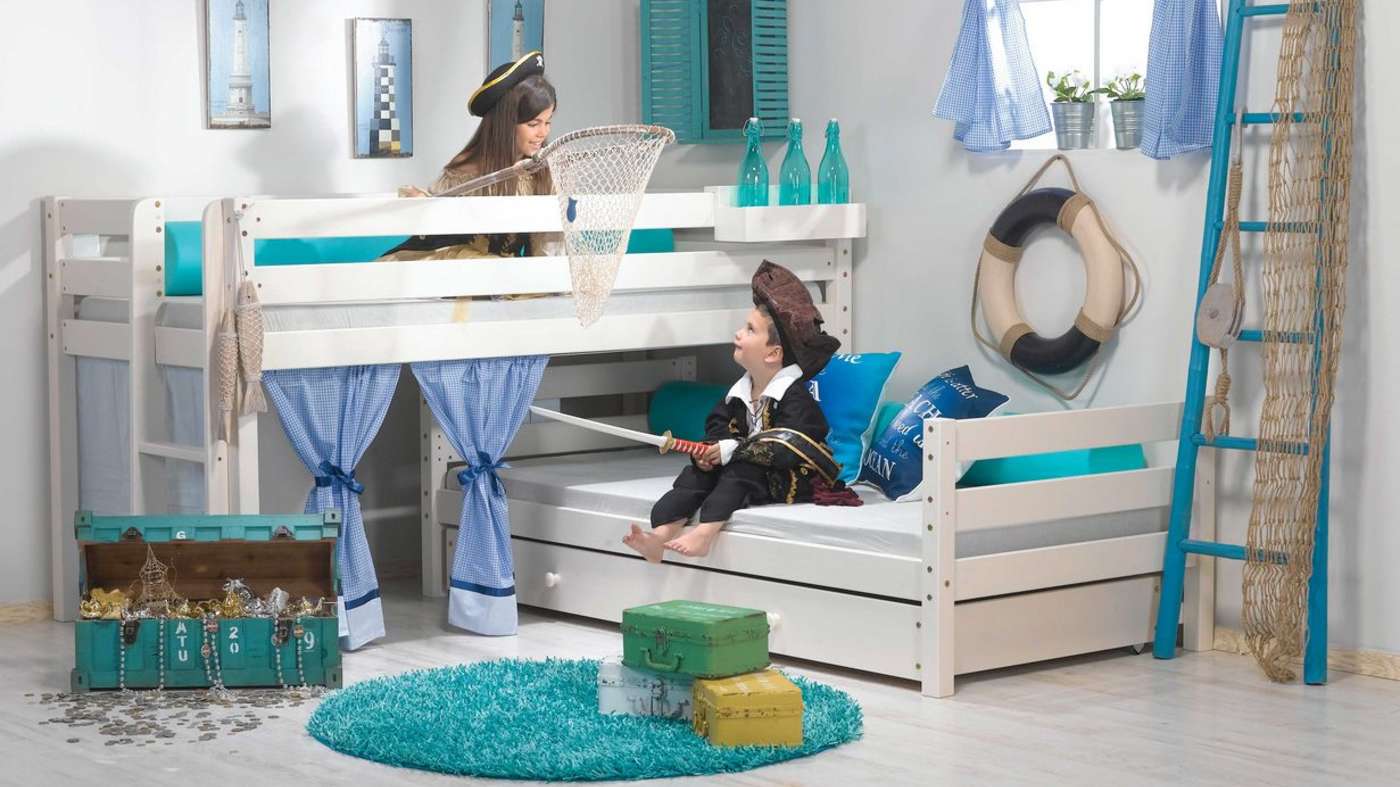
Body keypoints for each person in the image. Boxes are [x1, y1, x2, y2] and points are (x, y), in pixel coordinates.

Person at [623, 261, 845, 561]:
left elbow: (789, 446)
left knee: (741, 472)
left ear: (773, 353)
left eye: (750, 330)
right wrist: (709, 453)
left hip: (789, 477)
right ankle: (660, 536)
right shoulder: (739, 392)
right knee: (696, 475)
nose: (738, 333)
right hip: (745, 467)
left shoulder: (794, 398)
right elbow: (717, 426)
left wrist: (733, 451)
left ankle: (704, 534)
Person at [380, 50, 561, 263]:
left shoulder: (542, 171)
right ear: (506, 123)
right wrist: (425, 205)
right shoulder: (465, 171)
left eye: (548, 122)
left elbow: (547, 246)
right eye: (533, 124)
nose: (543, 133)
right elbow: (436, 232)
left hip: (502, 273)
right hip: (449, 264)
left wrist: (546, 275)